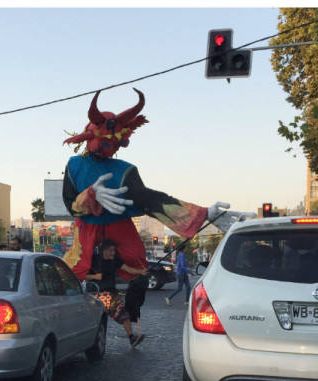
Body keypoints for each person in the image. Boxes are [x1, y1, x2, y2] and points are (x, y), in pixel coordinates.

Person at [60, 88, 254, 282]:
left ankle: (128, 308)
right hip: (86, 225)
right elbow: (70, 204)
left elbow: (150, 200)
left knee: (138, 263)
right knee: (73, 267)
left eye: (117, 144)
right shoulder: (75, 165)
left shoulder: (125, 170)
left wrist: (204, 214)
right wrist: (91, 196)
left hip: (119, 223)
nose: (111, 149)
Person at [85, 238, 147, 348]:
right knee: (114, 315)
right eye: (110, 250)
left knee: (124, 314)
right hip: (97, 295)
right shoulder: (94, 260)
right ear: (103, 250)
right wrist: (94, 276)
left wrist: (141, 272)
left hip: (112, 294)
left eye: (114, 250)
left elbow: (128, 269)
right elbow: (82, 275)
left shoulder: (115, 261)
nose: (113, 253)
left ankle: (131, 337)